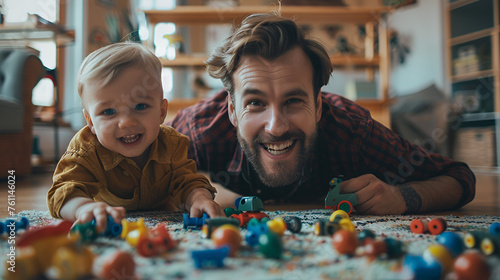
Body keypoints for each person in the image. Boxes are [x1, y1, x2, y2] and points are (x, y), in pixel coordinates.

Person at [169, 12, 476, 214]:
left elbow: (459, 177)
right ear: (232, 111)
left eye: (293, 101)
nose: (276, 127)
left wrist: (400, 197)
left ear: (318, 106)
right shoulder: (197, 129)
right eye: (255, 103)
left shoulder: (352, 132)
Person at [47, 42, 223, 230]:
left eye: (140, 106)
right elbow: (63, 191)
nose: (126, 122)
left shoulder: (172, 144)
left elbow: (186, 181)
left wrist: (199, 198)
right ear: (90, 121)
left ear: (162, 111)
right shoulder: (85, 150)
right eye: (108, 112)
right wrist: (83, 208)